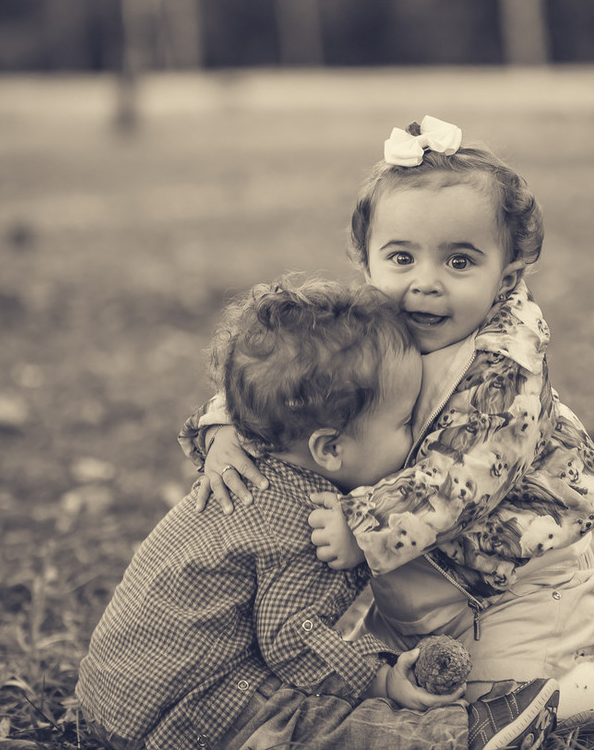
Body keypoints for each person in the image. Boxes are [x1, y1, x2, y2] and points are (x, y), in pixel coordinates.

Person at [184, 117, 594, 729]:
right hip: (411, 588)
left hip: (515, 589)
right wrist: (224, 427)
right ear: (367, 262)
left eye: (459, 260)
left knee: (498, 711)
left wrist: (364, 524)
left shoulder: (504, 370)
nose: (425, 282)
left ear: (506, 275)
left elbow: (464, 480)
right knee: (387, 703)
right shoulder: (368, 327)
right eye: (401, 257)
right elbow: (291, 374)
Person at [78, 277, 560, 750]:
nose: (414, 438)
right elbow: (293, 643)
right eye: (403, 422)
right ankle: (458, 737)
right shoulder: (313, 521)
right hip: (186, 711)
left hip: (111, 691)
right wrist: (381, 678)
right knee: (313, 721)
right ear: (329, 449)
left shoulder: (252, 465)